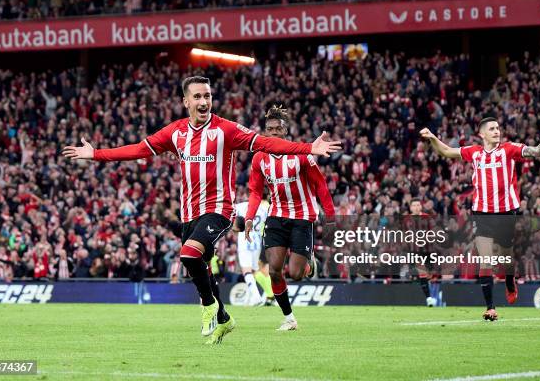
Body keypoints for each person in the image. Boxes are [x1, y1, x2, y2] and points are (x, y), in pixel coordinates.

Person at [63, 76, 341, 344]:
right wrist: (96, 154)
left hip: (219, 209)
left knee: (189, 253)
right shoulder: (176, 132)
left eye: (207, 95)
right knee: (200, 265)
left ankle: (208, 306)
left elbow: (264, 142)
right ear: (186, 101)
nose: (203, 101)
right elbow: (139, 149)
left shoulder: (226, 130)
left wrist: (308, 148)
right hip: (189, 213)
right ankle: (223, 318)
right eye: (197, 96)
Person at [420, 118, 540, 321]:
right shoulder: (474, 152)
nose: (497, 131)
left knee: (506, 258)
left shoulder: (509, 149)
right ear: (482, 134)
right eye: (492, 129)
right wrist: (433, 138)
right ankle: (490, 308)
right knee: (485, 260)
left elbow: (537, 151)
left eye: (498, 128)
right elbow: (447, 152)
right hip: (482, 213)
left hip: (505, 213)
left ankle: (510, 281)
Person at [245, 106, 336, 331]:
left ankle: (308, 262)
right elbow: (256, 191)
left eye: (278, 129)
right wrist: (249, 217)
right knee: (274, 269)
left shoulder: (301, 154)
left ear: (286, 130)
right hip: (276, 216)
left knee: (295, 274)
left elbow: (320, 185)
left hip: (302, 217)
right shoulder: (259, 159)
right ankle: (289, 318)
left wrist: (332, 218)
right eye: (269, 129)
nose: (273, 133)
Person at [234, 197, 273, 306]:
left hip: (245, 238)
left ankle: (256, 297)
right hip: (257, 240)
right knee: (256, 270)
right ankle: (270, 294)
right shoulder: (263, 208)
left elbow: (235, 222)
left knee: (246, 270)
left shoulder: (241, 206)